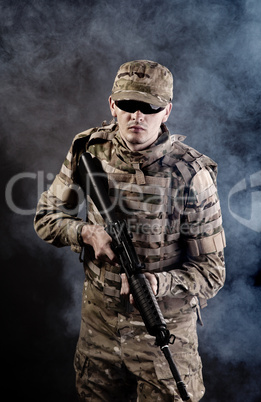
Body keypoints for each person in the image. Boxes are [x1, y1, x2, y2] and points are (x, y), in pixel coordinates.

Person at [34, 60, 226, 402]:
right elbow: (46, 218)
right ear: (113, 105)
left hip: (163, 337)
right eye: (127, 104)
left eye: (149, 107)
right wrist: (86, 233)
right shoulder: (88, 149)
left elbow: (212, 272)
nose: (137, 115)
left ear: (166, 111)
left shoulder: (191, 174)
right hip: (99, 331)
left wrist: (157, 283)